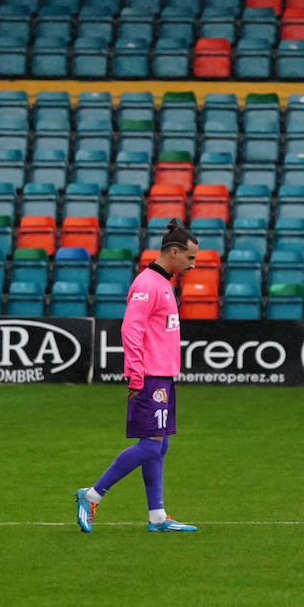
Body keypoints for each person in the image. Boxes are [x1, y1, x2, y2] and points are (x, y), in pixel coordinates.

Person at [75, 219, 200, 533]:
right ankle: (91, 495)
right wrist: (135, 375)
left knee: (160, 445)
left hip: (163, 375)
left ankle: (157, 516)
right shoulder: (146, 285)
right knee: (149, 445)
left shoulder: (163, 284)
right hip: (149, 376)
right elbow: (131, 330)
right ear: (173, 252)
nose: (193, 265)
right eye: (190, 258)